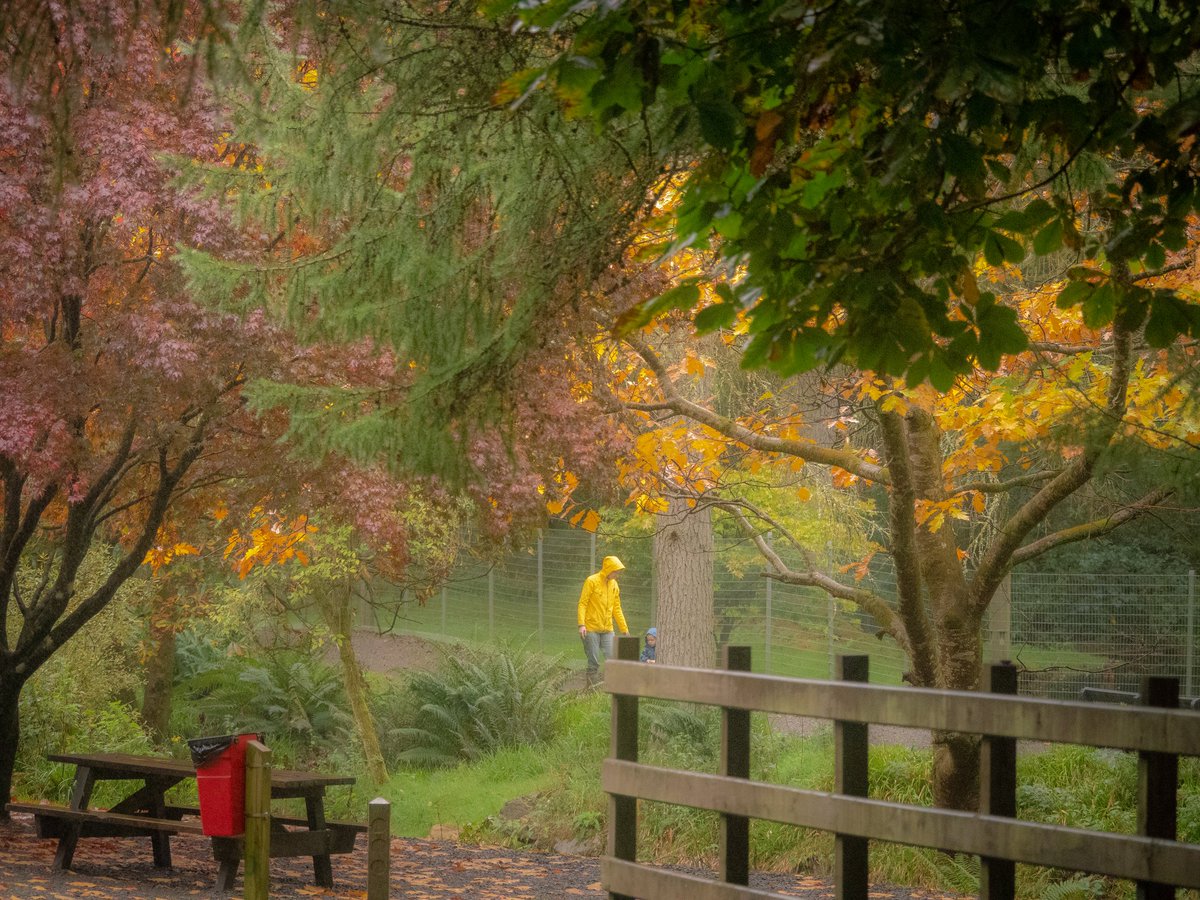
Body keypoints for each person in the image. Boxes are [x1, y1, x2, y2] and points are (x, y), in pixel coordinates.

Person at [577, 555, 630, 686]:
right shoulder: (591, 581)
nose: (617, 574)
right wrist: (581, 624)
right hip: (590, 628)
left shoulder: (614, 585)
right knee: (593, 661)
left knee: (612, 659)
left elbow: (616, 608)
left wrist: (624, 630)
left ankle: (612, 690)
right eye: (615, 571)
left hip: (608, 629)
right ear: (608, 569)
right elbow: (583, 603)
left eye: (618, 571)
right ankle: (591, 690)